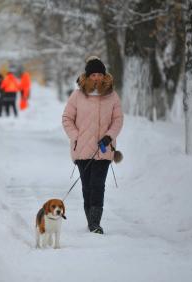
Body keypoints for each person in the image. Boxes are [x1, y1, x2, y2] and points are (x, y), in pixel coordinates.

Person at [62, 56, 123, 234]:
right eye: (93, 74)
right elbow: (67, 119)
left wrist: (109, 137)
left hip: (104, 149)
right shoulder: (77, 95)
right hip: (82, 149)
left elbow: (118, 120)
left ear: (104, 76)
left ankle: (95, 223)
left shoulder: (112, 96)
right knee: (87, 186)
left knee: (98, 185)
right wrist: (76, 137)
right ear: (87, 76)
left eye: (99, 74)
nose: (96, 77)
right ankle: (91, 219)